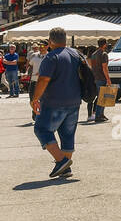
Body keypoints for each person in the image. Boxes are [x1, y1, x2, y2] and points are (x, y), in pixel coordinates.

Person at [30, 28, 84, 180]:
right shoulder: (75, 54)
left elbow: (43, 79)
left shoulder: (51, 57)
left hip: (54, 101)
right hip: (74, 100)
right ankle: (66, 169)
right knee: (67, 134)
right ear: (65, 39)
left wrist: (35, 99)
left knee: (41, 129)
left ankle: (62, 161)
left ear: (50, 41)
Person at [86, 38, 112, 123]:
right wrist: (108, 79)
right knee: (102, 98)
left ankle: (101, 114)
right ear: (104, 44)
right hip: (102, 78)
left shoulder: (94, 54)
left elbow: (92, 66)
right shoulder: (104, 54)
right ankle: (98, 115)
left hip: (96, 78)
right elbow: (105, 68)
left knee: (101, 97)